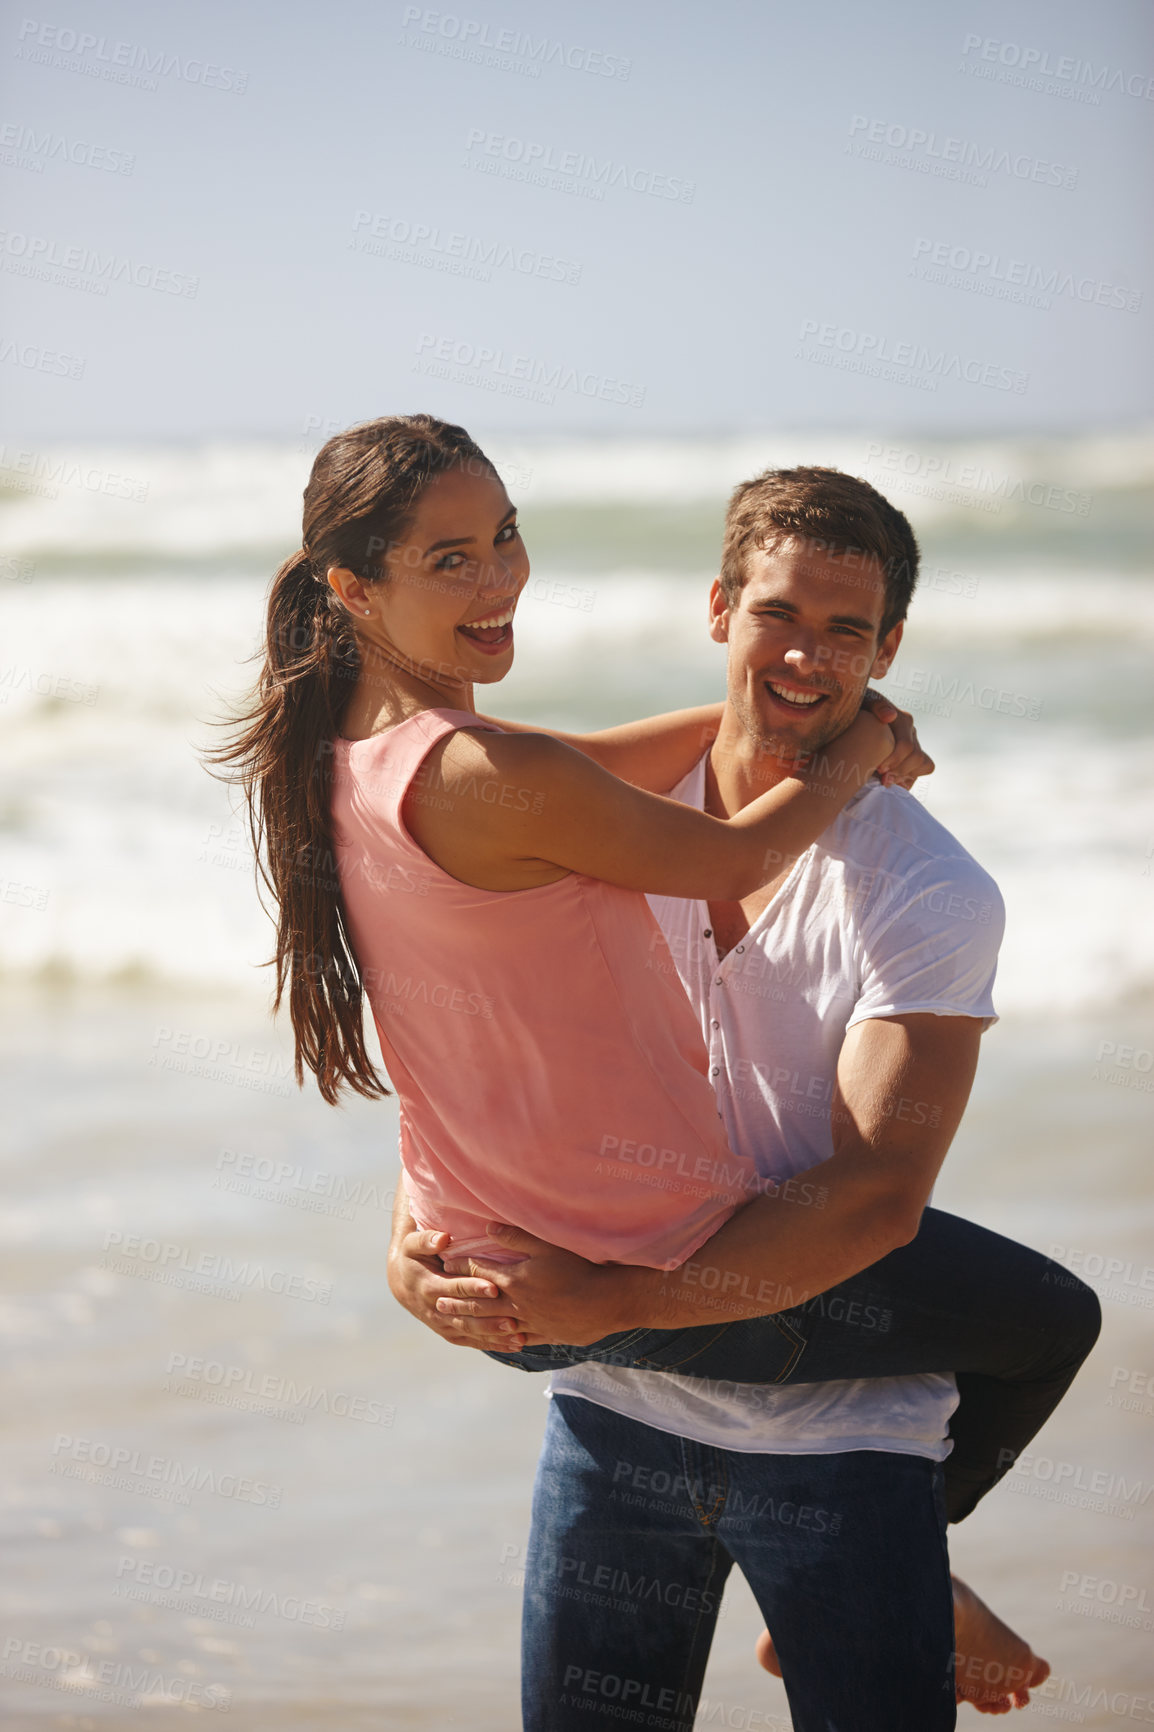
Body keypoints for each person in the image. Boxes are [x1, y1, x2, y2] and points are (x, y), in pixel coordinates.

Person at [216, 417, 1098, 1726]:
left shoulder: (916, 889)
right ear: (716, 609)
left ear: (887, 652)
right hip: (610, 1411)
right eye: (776, 615)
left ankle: (931, 1547)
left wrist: (539, 1268)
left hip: (835, 1450)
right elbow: (490, 1026)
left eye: (844, 634)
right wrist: (424, 1250)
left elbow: (866, 1201)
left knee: (1035, 1315)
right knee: (1047, 1320)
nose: (802, 654)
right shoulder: (546, 795)